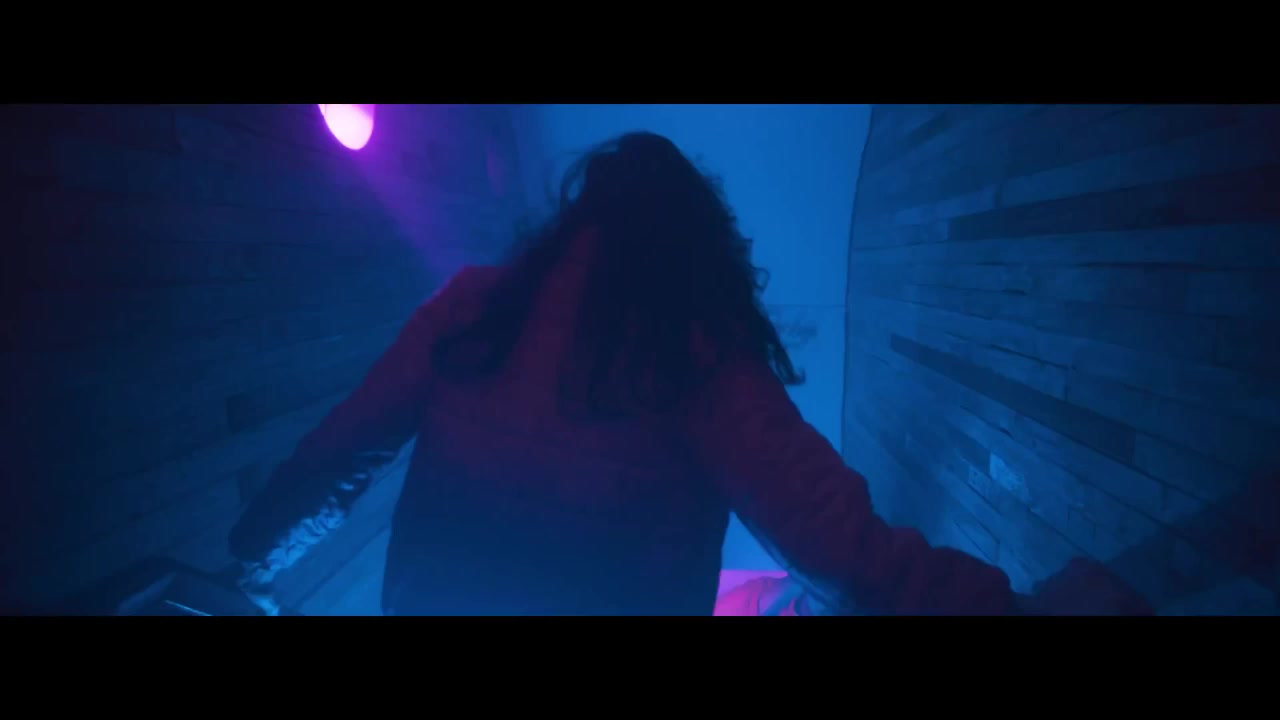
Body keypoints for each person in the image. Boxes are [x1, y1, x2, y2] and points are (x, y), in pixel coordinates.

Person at [228, 131, 1152, 616]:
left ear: (576, 221)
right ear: (695, 241)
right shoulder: (691, 355)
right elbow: (842, 547)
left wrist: (251, 567)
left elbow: (338, 457)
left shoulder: (473, 305)